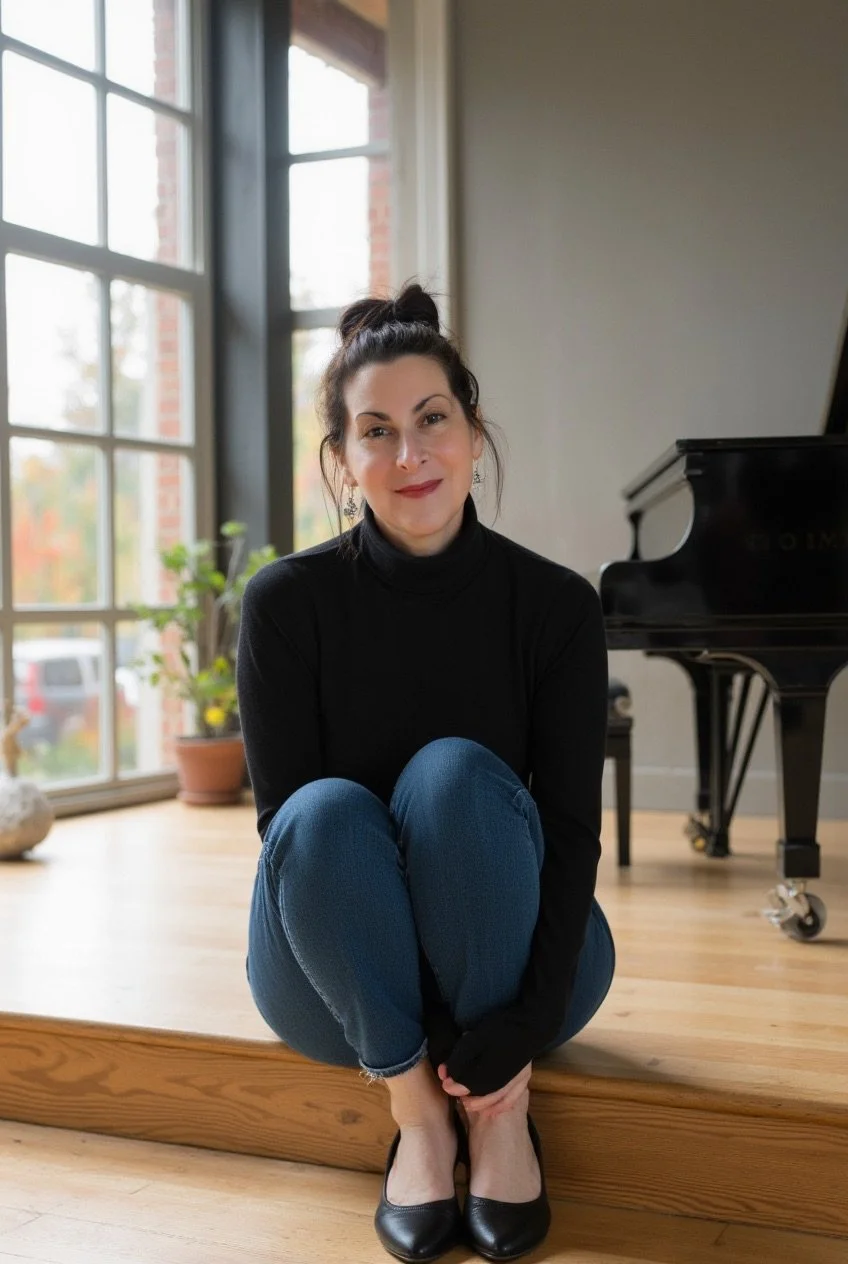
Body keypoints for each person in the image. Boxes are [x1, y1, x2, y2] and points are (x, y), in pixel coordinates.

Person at [237, 282, 615, 1263]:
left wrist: (525, 1025)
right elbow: (286, 837)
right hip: (338, 983)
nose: (410, 455)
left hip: (518, 971)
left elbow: (572, 833)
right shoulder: (284, 604)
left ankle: (499, 1114)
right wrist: (413, 1085)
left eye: (432, 420)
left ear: (474, 434)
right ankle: (420, 1119)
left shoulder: (556, 608)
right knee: (320, 812)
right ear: (342, 459)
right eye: (376, 431)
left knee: (451, 778)